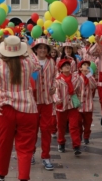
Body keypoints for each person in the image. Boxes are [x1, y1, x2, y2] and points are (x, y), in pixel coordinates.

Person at [0, 35, 40, 181]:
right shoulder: (28, 62)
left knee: (4, 144)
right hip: (28, 110)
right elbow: (38, 64)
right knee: (25, 148)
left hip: (6, 110)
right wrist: (28, 47)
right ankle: (23, 177)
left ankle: (1, 175)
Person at [29, 37, 57, 170]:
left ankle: (46, 156)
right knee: (32, 130)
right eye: (40, 47)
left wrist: (55, 86)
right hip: (33, 101)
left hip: (47, 101)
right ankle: (31, 153)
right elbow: (28, 79)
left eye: (45, 48)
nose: (42, 50)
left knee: (46, 129)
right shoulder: (30, 61)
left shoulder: (51, 62)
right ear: (35, 49)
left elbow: (55, 77)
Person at [53, 58, 83, 155]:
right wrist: (57, 99)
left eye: (68, 65)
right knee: (61, 126)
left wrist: (79, 99)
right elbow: (55, 91)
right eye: (64, 66)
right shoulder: (57, 80)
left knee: (74, 126)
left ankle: (76, 146)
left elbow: (79, 89)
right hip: (61, 106)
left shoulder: (75, 77)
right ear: (60, 69)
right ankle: (61, 143)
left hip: (72, 105)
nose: (67, 67)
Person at [77, 60, 96, 145]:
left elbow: (94, 85)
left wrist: (89, 75)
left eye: (88, 65)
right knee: (78, 122)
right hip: (79, 105)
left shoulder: (90, 76)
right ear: (80, 68)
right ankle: (80, 134)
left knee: (88, 123)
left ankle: (86, 136)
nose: (86, 66)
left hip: (88, 104)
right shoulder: (77, 77)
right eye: (84, 65)